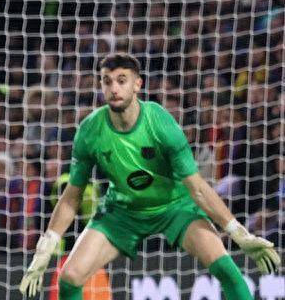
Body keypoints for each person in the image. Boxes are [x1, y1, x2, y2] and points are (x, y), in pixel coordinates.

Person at [19, 53, 280, 300]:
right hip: (123, 212)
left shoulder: (160, 122)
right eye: (107, 81)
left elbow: (198, 188)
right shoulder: (89, 131)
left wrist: (239, 233)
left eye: (122, 80)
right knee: (70, 277)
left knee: (226, 268)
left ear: (137, 84)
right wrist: (47, 243)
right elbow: (71, 196)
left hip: (174, 207)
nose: (114, 88)